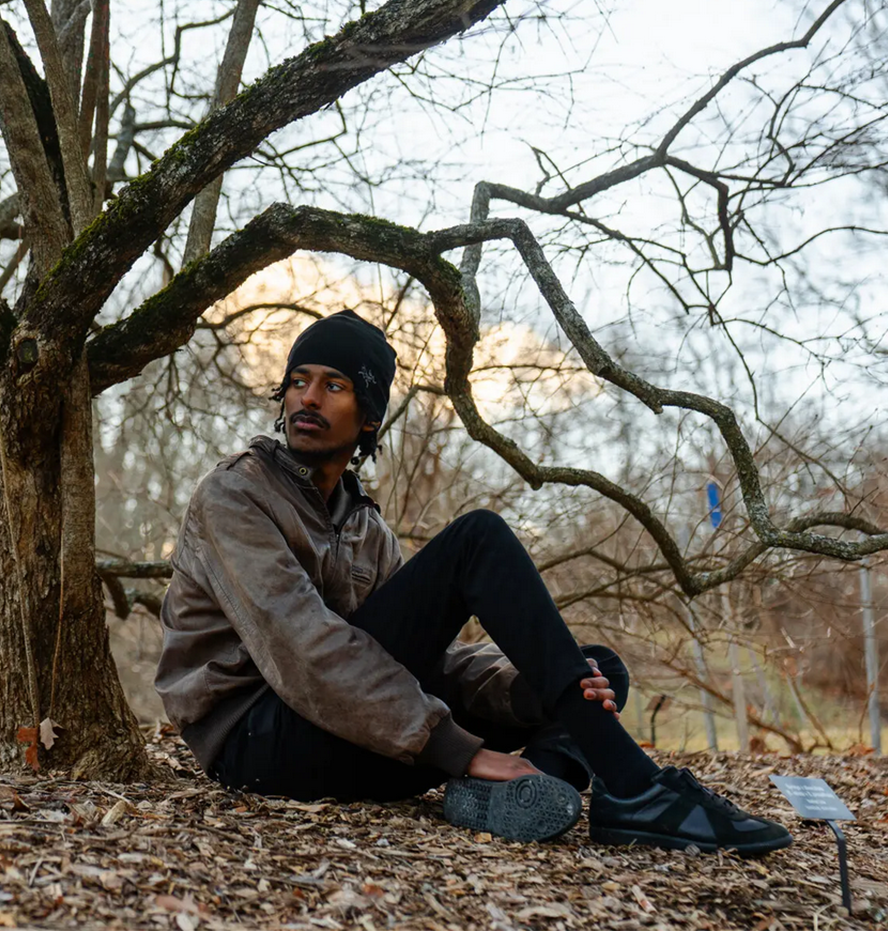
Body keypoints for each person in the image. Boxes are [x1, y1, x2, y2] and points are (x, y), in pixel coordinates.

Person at [155, 309, 791, 854]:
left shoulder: (365, 527)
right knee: (477, 540)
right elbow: (304, 653)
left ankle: (522, 791)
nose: (308, 399)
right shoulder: (235, 495)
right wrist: (461, 749)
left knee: (592, 671)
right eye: (298, 382)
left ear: (369, 417)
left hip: (355, 735)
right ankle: (636, 788)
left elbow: (424, 660)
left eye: (334, 385)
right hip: (261, 741)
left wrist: (533, 688)